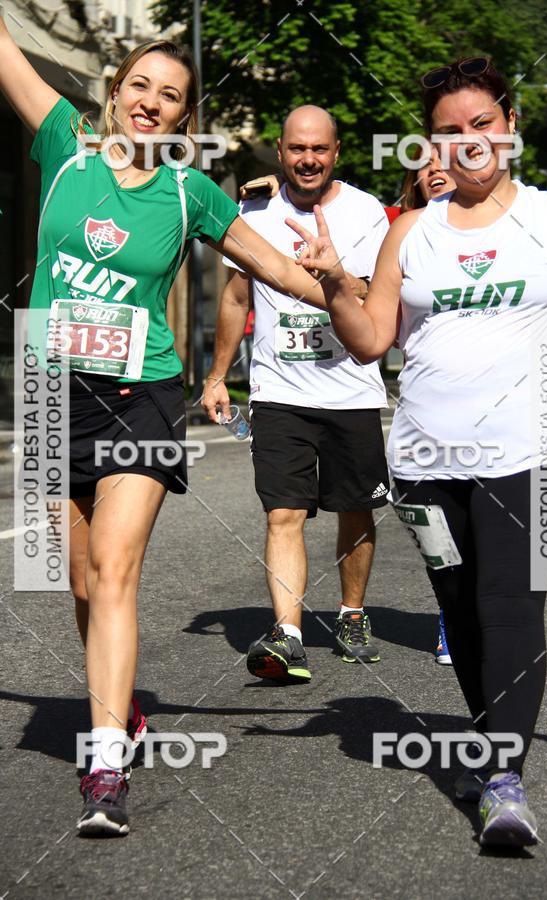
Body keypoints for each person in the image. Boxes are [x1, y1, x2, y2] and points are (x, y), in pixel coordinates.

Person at [0, 20, 347, 835]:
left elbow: (274, 266)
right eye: (140, 87)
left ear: (184, 117)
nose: (151, 103)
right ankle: (121, 707)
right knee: (80, 584)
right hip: (51, 387)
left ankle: (106, 763)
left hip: (141, 393)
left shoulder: (191, 192)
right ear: (114, 93)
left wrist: (353, 292)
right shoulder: (64, 145)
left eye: (170, 97)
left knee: (116, 570)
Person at [285, 57, 547, 848]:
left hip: (540, 450)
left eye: (482, 123)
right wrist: (335, 283)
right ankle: (489, 745)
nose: (469, 141)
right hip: (427, 458)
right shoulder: (411, 232)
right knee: (460, 612)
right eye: (449, 131)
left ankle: (504, 778)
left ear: (510, 126)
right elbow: (370, 341)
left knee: (510, 602)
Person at [203, 105, 390, 683]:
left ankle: (352, 613)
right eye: (298, 149)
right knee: (283, 512)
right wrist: (216, 376)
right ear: (281, 152)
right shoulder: (253, 211)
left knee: (355, 508)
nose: (309, 159)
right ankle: (288, 634)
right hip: (279, 390)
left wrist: (333, 275)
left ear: (336, 153)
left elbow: (378, 294)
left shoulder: (367, 213)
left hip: (351, 389)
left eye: (319, 149)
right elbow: (236, 297)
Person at [398, 143, 456, 666]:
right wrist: (263, 189)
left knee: (494, 526)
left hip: (498, 407)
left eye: (444, 161)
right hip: (424, 404)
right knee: (432, 520)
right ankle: (451, 610)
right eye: (424, 165)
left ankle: (496, 619)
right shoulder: (397, 227)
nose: (434, 171)